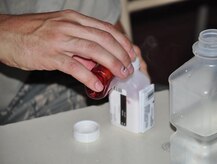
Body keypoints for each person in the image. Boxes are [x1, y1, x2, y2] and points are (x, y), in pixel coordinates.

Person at [0, 0, 148, 124]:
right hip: (13, 92)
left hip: (75, 66)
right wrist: (6, 32)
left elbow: (105, 18)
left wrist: (120, 51)